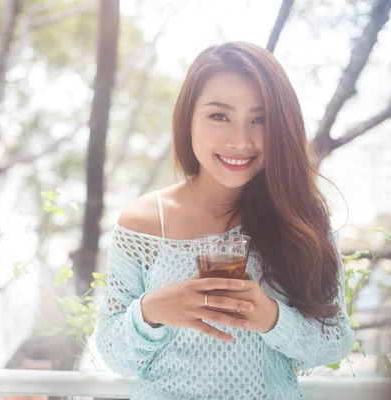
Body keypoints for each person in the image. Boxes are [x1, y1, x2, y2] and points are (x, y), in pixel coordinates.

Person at [94, 41, 356, 400]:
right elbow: (115, 356)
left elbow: (335, 343)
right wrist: (152, 310)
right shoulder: (142, 223)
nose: (241, 140)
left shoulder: (300, 219)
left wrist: (270, 317)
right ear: (188, 119)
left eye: (260, 119)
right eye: (220, 116)